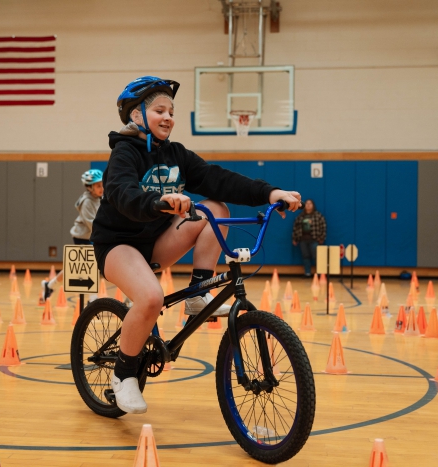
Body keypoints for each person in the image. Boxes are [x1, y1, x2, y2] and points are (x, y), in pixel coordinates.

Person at [91, 76, 301, 414]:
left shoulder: (176, 154)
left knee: (215, 208)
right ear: (135, 116)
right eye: (159, 109)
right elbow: (122, 193)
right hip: (118, 244)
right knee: (151, 297)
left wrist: (269, 193)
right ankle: (124, 375)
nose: (168, 117)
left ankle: (198, 292)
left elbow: (219, 179)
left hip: (157, 241)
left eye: (172, 111)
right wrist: (157, 202)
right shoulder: (124, 153)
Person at [41, 169, 103, 301]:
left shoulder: (98, 198)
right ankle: (93, 299)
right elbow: (91, 223)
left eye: (102, 184)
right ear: (89, 187)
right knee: (89, 265)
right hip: (82, 237)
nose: (101, 188)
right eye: (98, 186)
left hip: (91, 236)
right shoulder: (87, 202)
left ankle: (49, 285)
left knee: (76, 268)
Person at [291, 199, 326, 277]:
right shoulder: (300, 216)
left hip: (314, 239)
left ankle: (320, 274)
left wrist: (321, 237)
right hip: (303, 240)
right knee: (305, 256)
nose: (308, 205)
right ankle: (307, 273)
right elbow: (295, 228)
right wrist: (295, 238)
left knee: (316, 256)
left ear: (313, 205)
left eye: (310, 203)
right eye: (307, 203)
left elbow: (323, 226)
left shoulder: (318, 215)